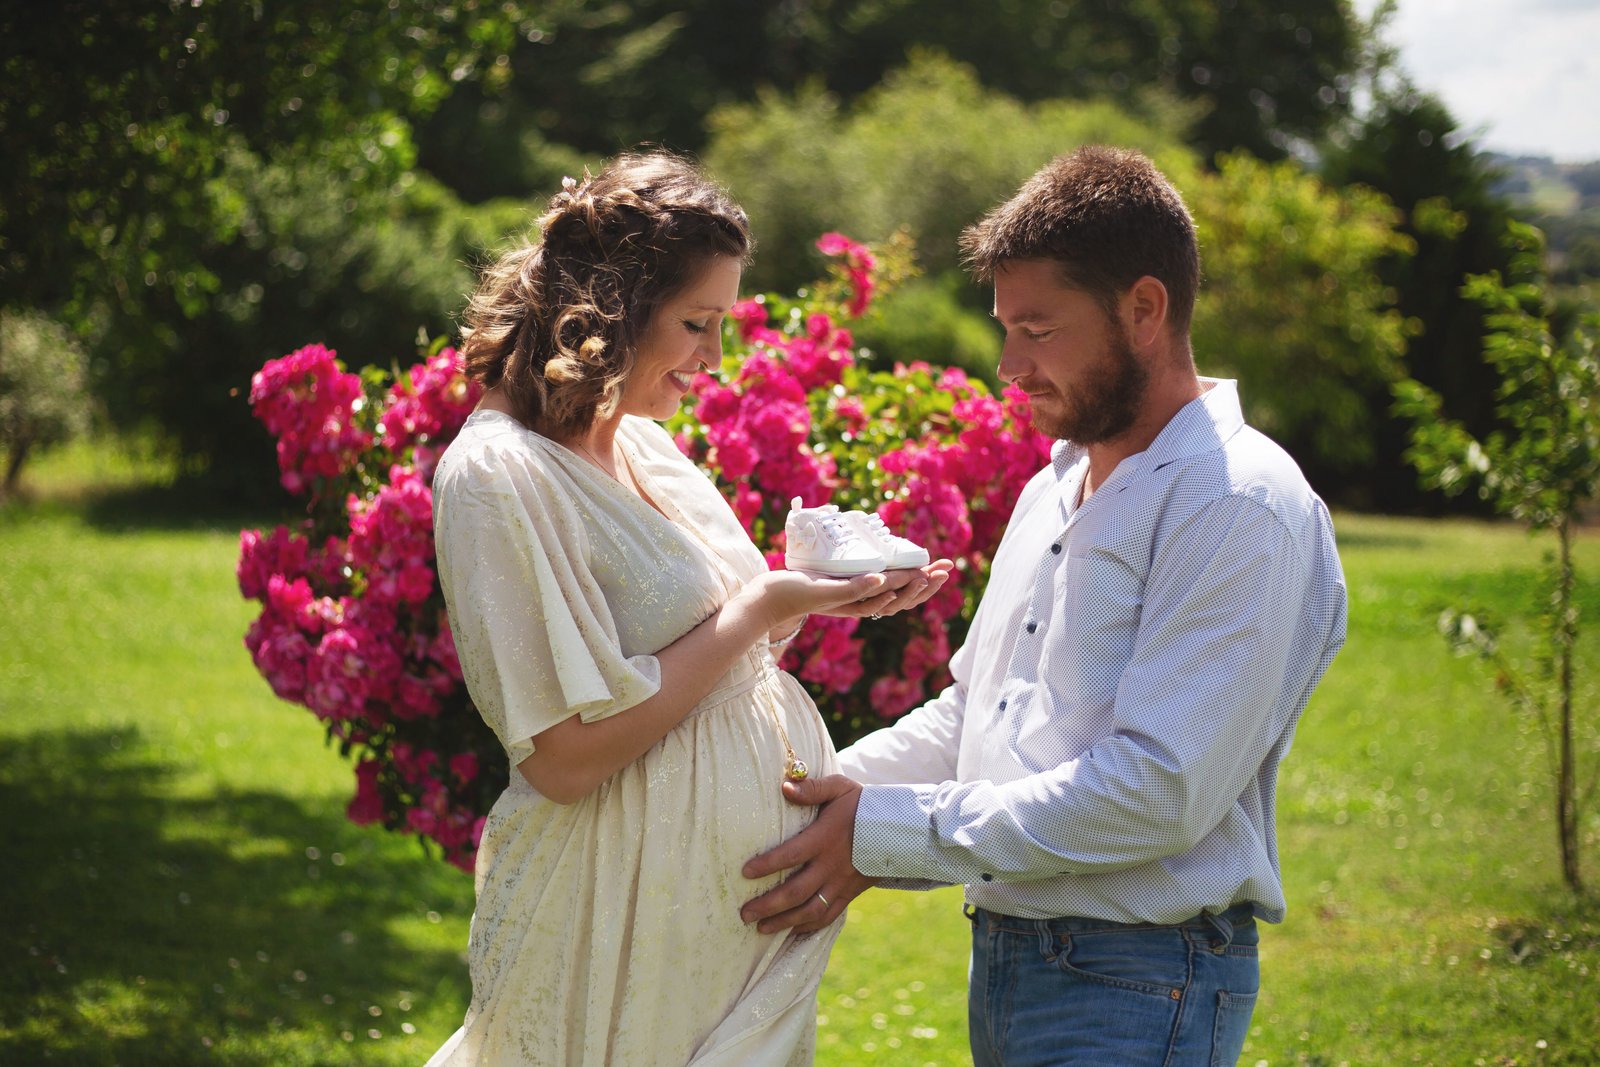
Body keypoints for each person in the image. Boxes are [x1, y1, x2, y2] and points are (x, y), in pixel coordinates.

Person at [739, 145, 1348, 1066]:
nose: (1008, 365)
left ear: (1144, 309)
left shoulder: (1236, 502)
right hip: (1021, 961)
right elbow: (974, 712)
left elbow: (1157, 791)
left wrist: (889, 830)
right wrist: (800, 797)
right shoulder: (1057, 480)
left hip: (1141, 978)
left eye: (1038, 329)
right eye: (1006, 329)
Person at [424, 150, 951, 1067]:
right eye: (697, 323)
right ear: (612, 308)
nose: (715, 358)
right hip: (608, 906)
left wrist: (821, 600)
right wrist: (761, 609)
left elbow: (710, 637)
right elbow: (563, 756)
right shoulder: (496, 475)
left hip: (711, 925)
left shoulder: (641, 443)